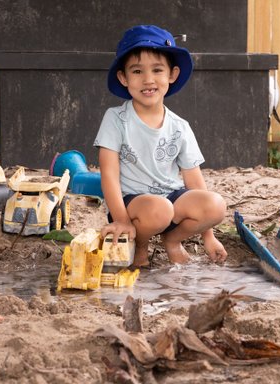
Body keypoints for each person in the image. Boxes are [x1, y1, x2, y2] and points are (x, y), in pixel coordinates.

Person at [93, 25, 227, 267]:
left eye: (157, 70)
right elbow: (109, 174)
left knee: (215, 204)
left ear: (172, 75)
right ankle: (141, 245)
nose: (148, 79)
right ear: (123, 78)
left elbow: (194, 180)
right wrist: (121, 220)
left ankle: (172, 241)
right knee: (159, 208)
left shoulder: (180, 126)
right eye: (137, 71)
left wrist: (209, 235)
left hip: (171, 200)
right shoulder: (116, 119)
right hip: (133, 206)